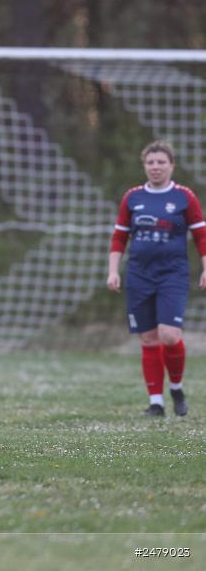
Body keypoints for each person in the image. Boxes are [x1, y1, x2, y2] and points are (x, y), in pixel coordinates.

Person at [107, 140, 206, 417]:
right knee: (149, 339)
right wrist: (113, 271)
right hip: (139, 275)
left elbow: (201, 236)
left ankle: (176, 388)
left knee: (170, 335)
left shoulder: (185, 197)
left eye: (161, 162)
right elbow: (119, 237)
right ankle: (156, 403)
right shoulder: (133, 197)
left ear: (171, 165)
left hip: (172, 274)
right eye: (150, 162)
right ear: (144, 166)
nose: (155, 167)